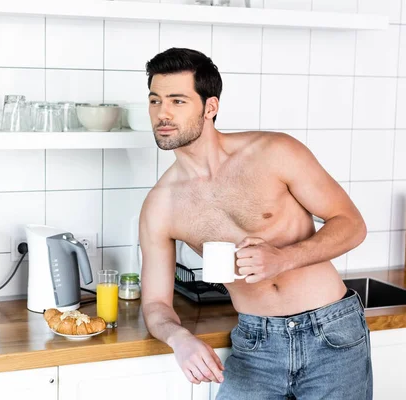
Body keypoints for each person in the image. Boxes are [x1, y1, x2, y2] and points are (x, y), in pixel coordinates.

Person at [139, 47, 372, 400]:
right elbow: (156, 304)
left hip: (331, 334)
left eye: (178, 101)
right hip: (256, 343)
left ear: (210, 107)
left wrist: (283, 258)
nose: (163, 114)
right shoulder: (160, 206)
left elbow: (352, 224)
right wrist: (178, 338)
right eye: (155, 101)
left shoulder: (274, 151)